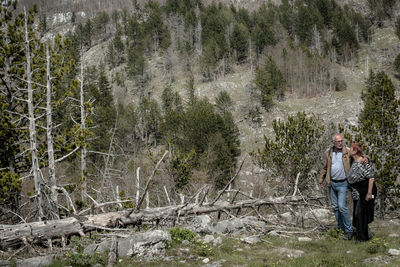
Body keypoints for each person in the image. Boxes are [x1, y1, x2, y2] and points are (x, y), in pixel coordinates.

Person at [319, 134, 353, 240]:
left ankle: (349, 230)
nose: (340, 143)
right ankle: (341, 228)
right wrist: (321, 179)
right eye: (338, 141)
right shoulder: (329, 152)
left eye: (341, 141)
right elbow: (325, 167)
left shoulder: (347, 151)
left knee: (342, 206)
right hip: (332, 184)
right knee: (335, 208)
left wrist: (366, 158)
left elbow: (360, 156)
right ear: (333, 142)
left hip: (343, 183)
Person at [347, 143, 377, 241]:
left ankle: (362, 239)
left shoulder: (363, 162)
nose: (349, 151)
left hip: (365, 190)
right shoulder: (354, 161)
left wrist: (369, 193)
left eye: (351, 149)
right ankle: (362, 236)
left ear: (355, 151)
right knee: (358, 214)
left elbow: (371, 178)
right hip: (357, 191)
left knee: (360, 213)